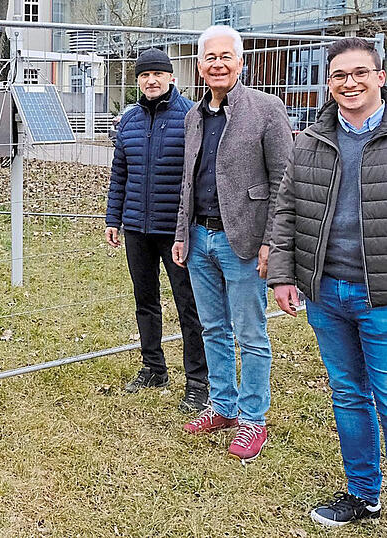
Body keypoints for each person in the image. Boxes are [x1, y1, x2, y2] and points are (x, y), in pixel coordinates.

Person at [268, 37, 387, 527]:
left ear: (381, 77)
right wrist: (282, 275)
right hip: (327, 292)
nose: (349, 83)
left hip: (381, 296)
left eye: (360, 73)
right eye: (339, 75)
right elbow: (286, 210)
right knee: (348, 394)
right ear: (329, 83)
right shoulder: (311, 142)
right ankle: (363, 494)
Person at [171, 25, 292, 462]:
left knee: (250, 334)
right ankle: (222, 406)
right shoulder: (193, 116)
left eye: (226, 56)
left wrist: (271, 242)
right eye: (210, 57)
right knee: (213, 329)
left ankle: (253, 418)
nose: (218, 64)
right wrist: (182, 233)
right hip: (199, 238)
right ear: (200, 66)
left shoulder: (266, 110)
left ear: (240, 62)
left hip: (244, 241)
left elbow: (284, 182)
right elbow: (188, 181)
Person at [105, 48, 208, 412]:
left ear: (170, 77)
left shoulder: (191, 116)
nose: (151, 81)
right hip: (136, 227)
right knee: (145, 300)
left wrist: (188, 225)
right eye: (144, 75)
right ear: (138, 80)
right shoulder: (129, 121)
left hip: (176, 230)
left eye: (157, 74)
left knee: (188, 305)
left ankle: (198, 381)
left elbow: (198, 175)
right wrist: (113, 219)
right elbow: (120, 173)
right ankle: (153, 368)